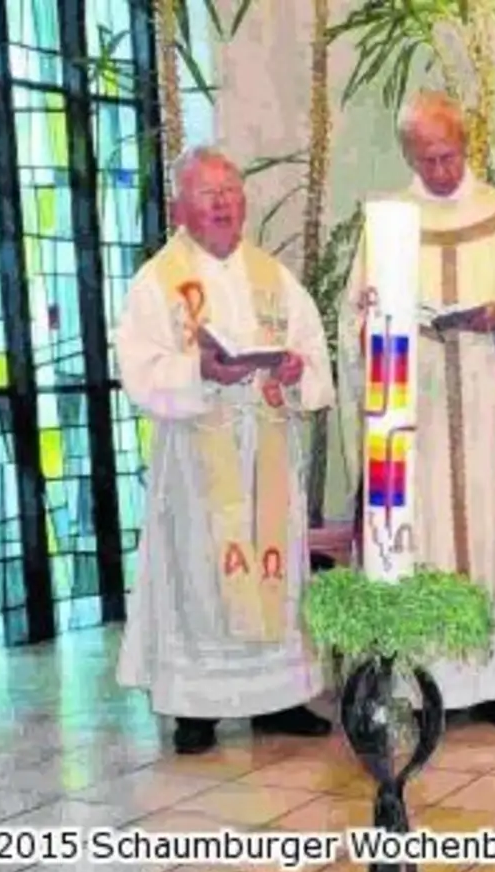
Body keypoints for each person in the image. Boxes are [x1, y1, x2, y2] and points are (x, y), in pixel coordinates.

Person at [329, 92, 495, 727]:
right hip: (419, 419)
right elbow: (354, 321)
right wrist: (385, 329)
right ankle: (422, 685)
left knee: (493, 534)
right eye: (428, 158)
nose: (441, 169)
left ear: (466, 145)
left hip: (491, 410)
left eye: (450, 155)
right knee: (427, 539)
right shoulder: (388, 224)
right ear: (409, 154)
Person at [114, 147, 336, 755]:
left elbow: (315, 361)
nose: (222, 203)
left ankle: (281, 698)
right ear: (180, 206)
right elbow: (139, 368)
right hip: (196, 458)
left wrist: (292, 371)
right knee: (199, 573)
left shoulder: (275, 279)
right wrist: (201, 370)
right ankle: (197, 708)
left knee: (275, 571)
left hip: (264, 448)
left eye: (231, 192)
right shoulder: (157, 283)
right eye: (208, 193)